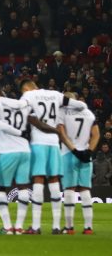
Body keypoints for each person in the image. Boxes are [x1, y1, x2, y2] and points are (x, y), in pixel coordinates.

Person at [21, 80, 87, 233]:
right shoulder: (56, 94)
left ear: (26, 88)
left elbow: (22, 112)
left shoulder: (29, 95)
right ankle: (56, 226)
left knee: (38, 179)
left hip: (39, 143)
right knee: (54, 181)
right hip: (54, 145)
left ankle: (36, 226)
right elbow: (80, 105)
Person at [0, 88, 32, 234]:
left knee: (0, 189)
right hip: (25, 150)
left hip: (8, 151)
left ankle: (7, 227)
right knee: (23, 187)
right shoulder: (23, 106)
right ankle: (19, 227)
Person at [58, 99, 98, 234]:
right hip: (86, 155)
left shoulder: (62, 112)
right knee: (85, 190)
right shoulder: (89, 113)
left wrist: (74, 150)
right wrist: (89, 152)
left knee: (69, 190)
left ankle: (69, 227)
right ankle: (88, 228)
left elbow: (62, 134)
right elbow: (96, 135)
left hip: (69, 154)